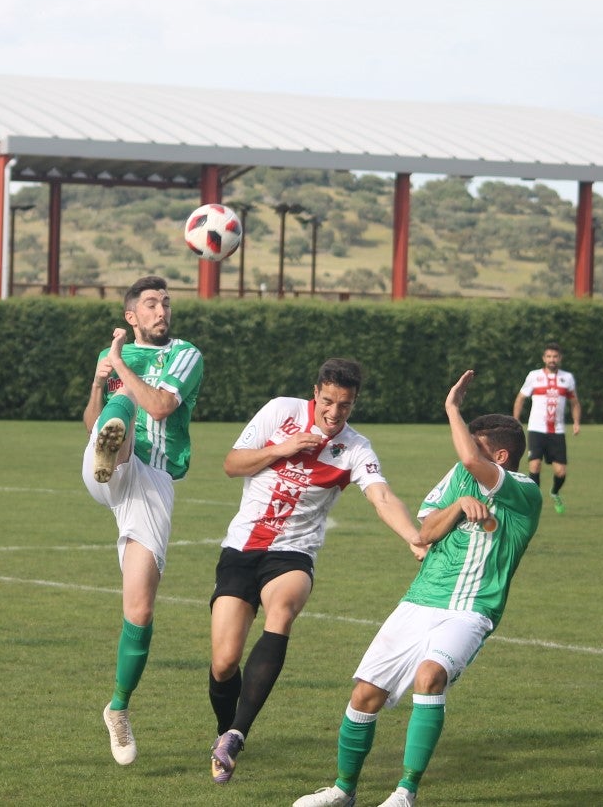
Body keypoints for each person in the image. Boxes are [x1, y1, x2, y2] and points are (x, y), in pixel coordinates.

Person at [294, 370, 542, 807]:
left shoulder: (524, 492)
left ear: (500, 456)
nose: (466, 452)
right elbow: (425, 533)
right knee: (364, 695)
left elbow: (470, 461)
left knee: (431, 678)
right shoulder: (458, 478)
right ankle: (342, 790)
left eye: (478, 446)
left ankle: (405, 792)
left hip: (471, 610)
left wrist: (452, 409)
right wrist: (458, 508)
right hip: (419, 600)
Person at [208, 358, 426, 785]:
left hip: (292, 553)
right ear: (315, 393)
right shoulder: (280, 411)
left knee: (281, 612)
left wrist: (413, 537)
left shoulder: (356, 448)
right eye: (328, 401)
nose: (334, 413)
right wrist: (280, 449)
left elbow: (381, 496)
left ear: (353, 403)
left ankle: (237, 733)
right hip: (241, 548)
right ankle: (223, 731)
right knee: (223, 662)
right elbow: (232, 463)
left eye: (344, 406)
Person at [81, 275, 203, 766]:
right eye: (151, 304)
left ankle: (118, 707)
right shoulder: (115, 358)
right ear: (132, 316)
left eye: (166, 303)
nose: (161, 310)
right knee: (113, 418)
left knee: (141, 610)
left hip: (152, 480)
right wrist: (99, 379)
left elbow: (162, 404)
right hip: (106, 465)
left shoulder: (186, 354)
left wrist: (118, 366)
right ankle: (117, 440)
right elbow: (88, 423)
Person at [512, 342, 581, 514]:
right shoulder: (534, 376)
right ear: (544, 358)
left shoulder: (567, 378)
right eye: (549, 356)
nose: (552, 359)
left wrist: (576, 422)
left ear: (560, 358)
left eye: (555, 356)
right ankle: (533, 502)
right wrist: (515, 420)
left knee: (560, 471)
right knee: (534, 466)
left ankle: (555, 492)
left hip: (557, 431)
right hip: (536, 429)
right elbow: (520, 398)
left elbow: (575, 403)